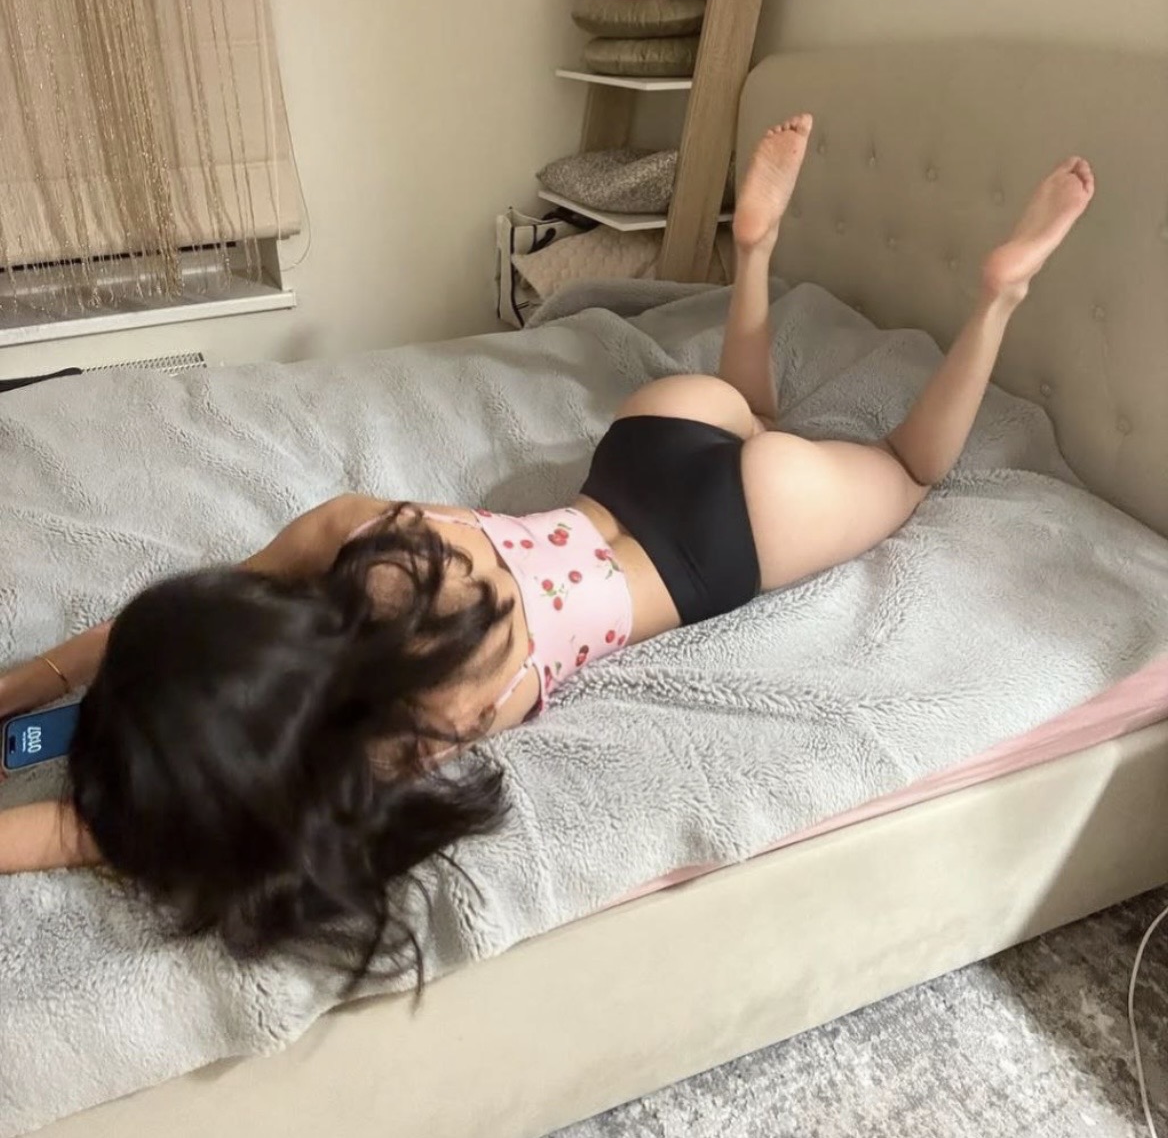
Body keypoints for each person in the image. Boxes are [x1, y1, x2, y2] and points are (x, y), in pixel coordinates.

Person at [0, 115, 1094, 990]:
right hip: (646, 450)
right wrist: (28, 680)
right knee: (754, 414)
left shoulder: (394, 734)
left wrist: (97, 758)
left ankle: (998, 293)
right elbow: (168, 629)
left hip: (709, 547)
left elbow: (83, 830)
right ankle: (756, 250)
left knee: (907, 467)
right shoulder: (356, 533)